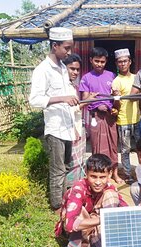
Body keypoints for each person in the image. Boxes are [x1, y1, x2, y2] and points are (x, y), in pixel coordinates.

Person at [28, 27, 79, 211]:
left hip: (66, 126)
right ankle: (57, 206)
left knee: (66, 166)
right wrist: (62, 98)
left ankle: (66, 200)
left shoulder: (63, 69)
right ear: (55, 45)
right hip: (55, 128)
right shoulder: (43, 70)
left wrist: (73, 124)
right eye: (66, 48)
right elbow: (34, 100)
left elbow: (67, 95)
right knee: (57, 170)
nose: (69, 52)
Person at [55, 153, 128, 247]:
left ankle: (106, 245)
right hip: (77, 228)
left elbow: (126, 209)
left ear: (109, 174)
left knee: (112, 196)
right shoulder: (78, 189)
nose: (98, 182)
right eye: (93, 176)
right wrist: (104, 219)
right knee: (79, 212)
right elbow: (70, 225)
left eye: (102, 177)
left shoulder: (109, 188)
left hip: (94, 222)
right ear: (86, 173)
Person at [79, 47, 124, 184]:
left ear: (106, 62)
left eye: (102, 61)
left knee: (112, 146)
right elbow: (84, 100)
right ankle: (99, 176)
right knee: (97, 146)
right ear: (91, 60)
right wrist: (96, 103)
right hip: (95, 117)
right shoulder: (86, 78)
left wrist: (115, 99)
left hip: (110, 116)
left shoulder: (111, 76)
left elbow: (117, 97)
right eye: (96, 61)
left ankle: (114, 174)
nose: (99, 64)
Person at [111, 48, 140, 184]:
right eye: (120, 62)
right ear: (117, 64)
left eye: (125, 61)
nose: (122, 64)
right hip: (123, 120)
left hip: (138, 119)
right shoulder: (116, 81)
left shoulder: (136, 78)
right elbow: (116, 105)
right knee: (125, 149)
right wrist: (116, 98)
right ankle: (128, 174)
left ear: (130, 62)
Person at [63, 54, 87, 188]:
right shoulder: (61, 87)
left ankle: (78, 188)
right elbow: (64, 110)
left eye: (77, 69)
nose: (75, 72)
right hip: (69, 129)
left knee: (79, 159)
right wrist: (72, 129)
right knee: (71, 161)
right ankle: (70, 190)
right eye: (72, 69)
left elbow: (74, 108)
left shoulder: (73, 86)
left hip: (77, 125)